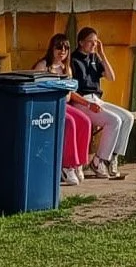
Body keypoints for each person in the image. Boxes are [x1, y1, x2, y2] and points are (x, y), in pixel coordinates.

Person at [70, 26, 134, 179]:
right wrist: (87, 104)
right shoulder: (73, 60)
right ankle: (98, 160)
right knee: (114, 120)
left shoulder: (95, 58)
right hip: (82, 101)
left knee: (128, 117)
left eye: (96, 41)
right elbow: (71, 92)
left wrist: (102, 54)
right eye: (90, 42)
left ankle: (112, 157)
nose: (94, 45)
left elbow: (111, 77)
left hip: (97, 99)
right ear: (81, 42)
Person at [33, 34, 96, 185]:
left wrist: (87, 104)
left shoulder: (66, 68)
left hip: (64, 104)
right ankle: (67, 165)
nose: (62, 51)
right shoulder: (43, 66)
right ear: (52, 48)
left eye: (66, 48)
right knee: (70, 123)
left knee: (85, 122)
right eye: (59, 47)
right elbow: (36, 88)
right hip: (48, 106)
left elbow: (71, 92)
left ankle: (79, 162)